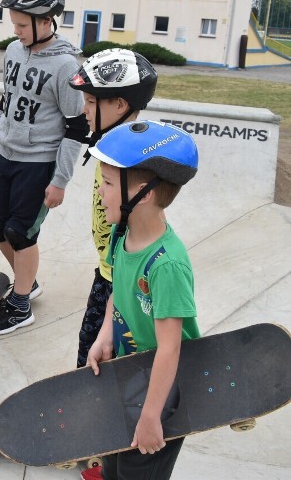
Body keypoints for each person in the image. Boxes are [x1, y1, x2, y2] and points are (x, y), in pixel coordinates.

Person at [86, 120, 200, 480]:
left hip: (163, 396)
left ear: (144, 194)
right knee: (113, 466)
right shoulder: (124, 236)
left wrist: (152, 417)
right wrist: (105, 334)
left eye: (106, 184)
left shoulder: (166, 265)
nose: (100, 194)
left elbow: (170, 349)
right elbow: (118, 293)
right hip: (130, 375)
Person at [0, 0, 89, 335]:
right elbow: (6, 100)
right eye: (13, 24)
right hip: (7, 154)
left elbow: (76, 128)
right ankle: (28, 282)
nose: (16, 31)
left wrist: (60, 181)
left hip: (39, 162)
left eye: (22, 25)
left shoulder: (66, 67)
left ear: (47, 21)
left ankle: (21, 304)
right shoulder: (13, 52)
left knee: (21, 232)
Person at [68, 49, 159, 367]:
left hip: (126, 284)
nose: (84, 110)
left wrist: (123, 297)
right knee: (87, 359)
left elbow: (146, 231)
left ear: (120, 105)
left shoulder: (131, 161)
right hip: (106, 274)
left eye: (91, 102)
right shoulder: (109, 146)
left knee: (113, 365)